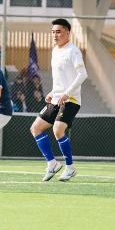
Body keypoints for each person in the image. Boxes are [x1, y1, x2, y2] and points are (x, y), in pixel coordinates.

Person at [30, 18, 88, 182]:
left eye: (59, 32)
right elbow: (61, 79)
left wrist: (67, 93)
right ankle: (52, 164)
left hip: (71, 99)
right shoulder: (55, 51)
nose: (55, 35)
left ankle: (70, 168)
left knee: (58, 130)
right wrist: (53, 92)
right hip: (56, 98)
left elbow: (82, 74)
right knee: (36, 128)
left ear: (68, 33)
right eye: (53, 32)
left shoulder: (73, 51)